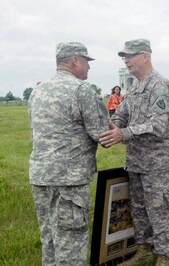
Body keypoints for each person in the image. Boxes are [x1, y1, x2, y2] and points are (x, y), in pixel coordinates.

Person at [99, 39, 169, 266]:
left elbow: (157, 126)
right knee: (139, 208)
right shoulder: (134, 88)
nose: (126, 61)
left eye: (130, 56)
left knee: (161, 209)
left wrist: (123, 134)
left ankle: (164, 256)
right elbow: (121, 116)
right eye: (123, 57)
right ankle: (144, 251)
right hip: (136, 162)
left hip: (158, 163)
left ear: (145, 55)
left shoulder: (159, 85)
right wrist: (111, 127)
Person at [28, 42, 109, 265]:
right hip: (69, 182)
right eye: (86, 61)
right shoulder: (81, 90)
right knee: (71, 246)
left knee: (50, 240)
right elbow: (101, 134)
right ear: (74, 60)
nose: (89, 68)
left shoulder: (38, 90)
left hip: (41, 177)